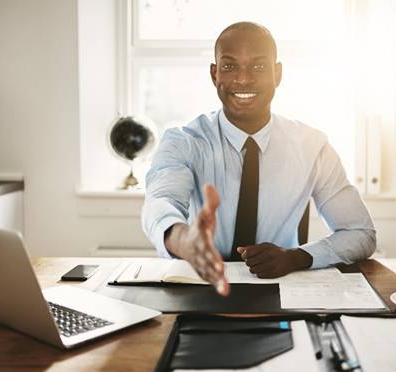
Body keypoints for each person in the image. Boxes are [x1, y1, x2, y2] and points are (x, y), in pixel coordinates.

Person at [142, 22, 376, 296]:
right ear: (214, 74)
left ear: (278, 74)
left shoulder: (313, 146)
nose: (243, 79)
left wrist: (296, 257)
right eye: (229, 67)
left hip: (282, 292)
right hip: (199, 291)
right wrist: (184, 240)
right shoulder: (184, 142)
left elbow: (360, 233)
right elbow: (160, 201)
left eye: (258, 66)